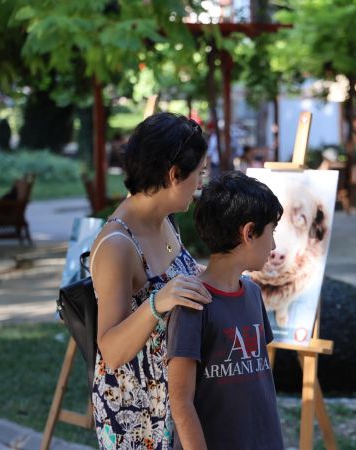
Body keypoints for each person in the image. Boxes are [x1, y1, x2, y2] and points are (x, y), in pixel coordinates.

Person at [89, 112, 213, 450]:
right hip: (137, 414)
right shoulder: (118, 244)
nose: (200, 184)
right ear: (174, 175)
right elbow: (111, 351)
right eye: (198, 174)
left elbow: (181, 278)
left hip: (172, 400)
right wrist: (158, 303)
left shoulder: (164, 220)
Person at [167, 171, 285, 450]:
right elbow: (180, 400)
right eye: (272, 232)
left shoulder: (254, 294)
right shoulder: (192, 303)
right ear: (249, 233)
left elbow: (259, 387)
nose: (275, 245)